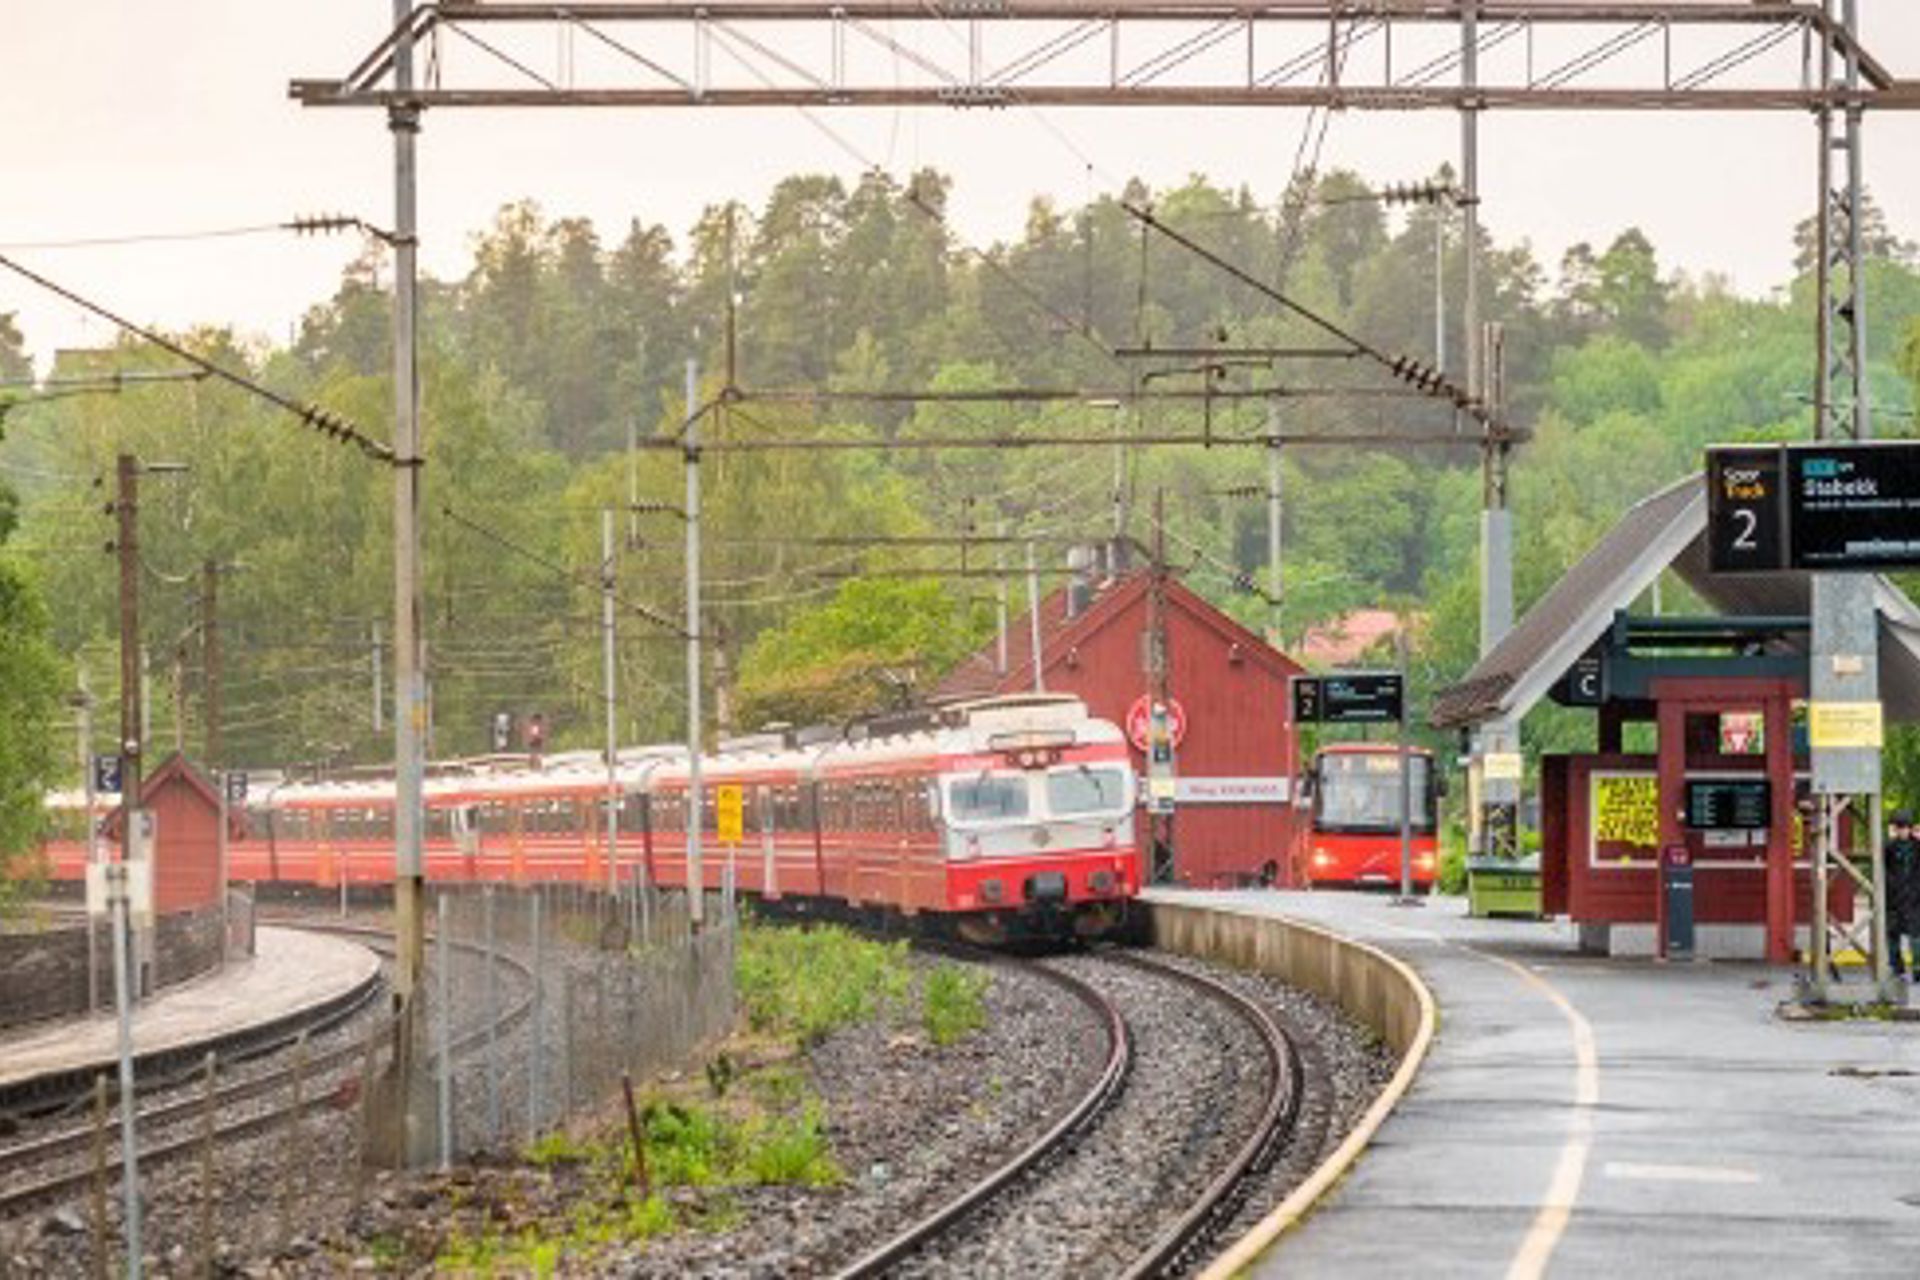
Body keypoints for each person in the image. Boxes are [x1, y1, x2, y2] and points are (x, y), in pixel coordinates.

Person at [1885, 811, 1920, 981]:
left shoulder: (1917, 846)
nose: (1902, 831)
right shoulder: (1889, 846)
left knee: (1916, 935)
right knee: (1892, 935)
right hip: (1894, 897)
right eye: (1899, 828)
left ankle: (1917, 969)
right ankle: (1896, 969)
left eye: (1905, 828)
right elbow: (1882, 867)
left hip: (1915, 898)